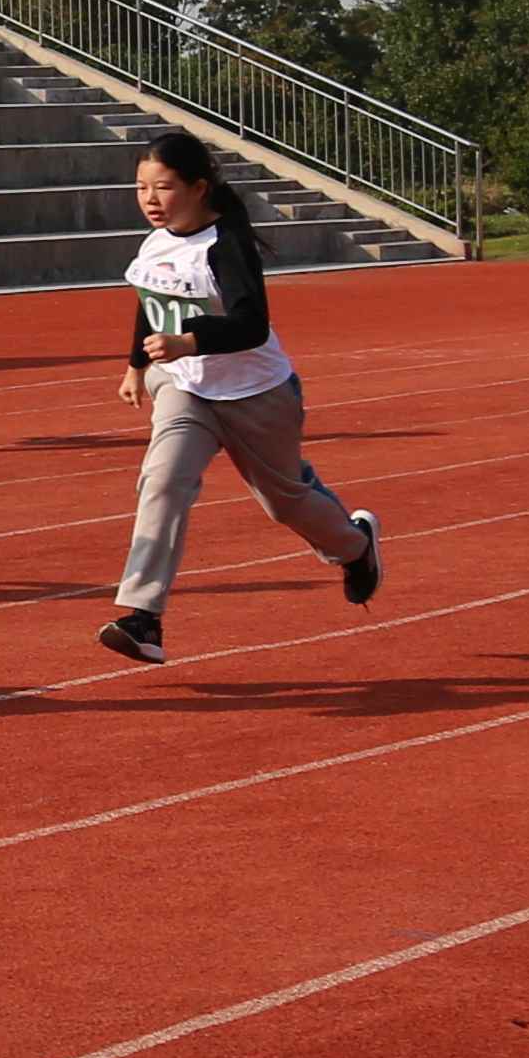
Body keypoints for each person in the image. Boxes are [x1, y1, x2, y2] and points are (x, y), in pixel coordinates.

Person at [96, 126, 380, 665]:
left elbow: (251, 325)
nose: (151, 200)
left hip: (257, 393)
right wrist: (136, 366)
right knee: (163, 481)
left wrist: (189, 340)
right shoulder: (155, 242)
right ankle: (143, 616)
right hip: (187, 390)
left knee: (285, 502)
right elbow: (151, 303)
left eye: (165, 187)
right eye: (141, 188)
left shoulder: (228, 244)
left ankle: (356, 547)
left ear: (200, 188)